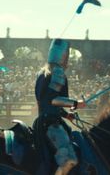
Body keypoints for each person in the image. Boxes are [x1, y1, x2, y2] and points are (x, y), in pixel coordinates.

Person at [33, 39, 86, 175]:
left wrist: (66, 114)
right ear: (64, 55)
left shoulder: (43, 72)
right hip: (51, 124)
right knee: (70, 160)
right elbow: (53, 100)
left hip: (43, 120)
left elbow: (46, 101)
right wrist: (76, 103)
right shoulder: (57, 72)